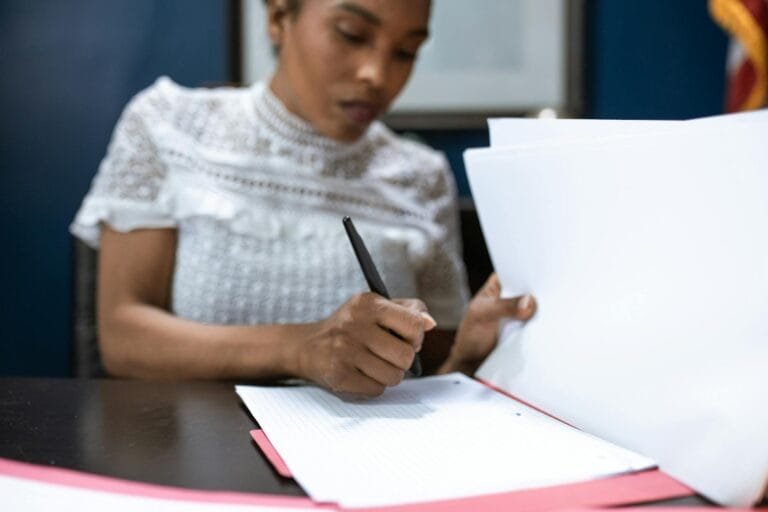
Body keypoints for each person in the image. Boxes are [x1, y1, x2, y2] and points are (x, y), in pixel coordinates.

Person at [70, 0, 535, 395]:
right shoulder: (169, 124)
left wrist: (469, 355)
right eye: (352, 35)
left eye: (406, 51)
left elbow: (428, 379)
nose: (377, 75)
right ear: (277, 15)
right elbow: (123, 338)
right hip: (186, 463)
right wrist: (300, 348)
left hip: (364, 473)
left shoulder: (422, 175)